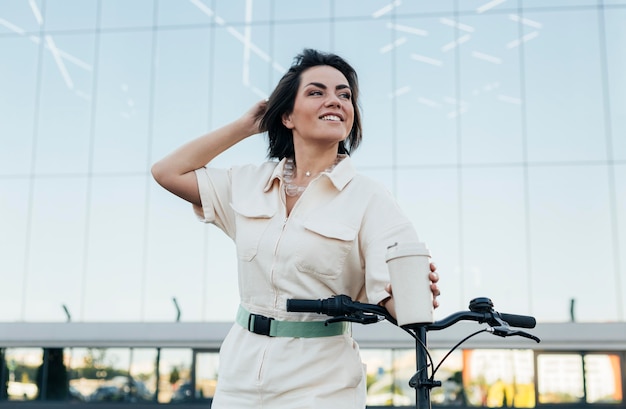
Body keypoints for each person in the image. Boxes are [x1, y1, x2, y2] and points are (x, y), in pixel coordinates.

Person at [152, 48, 441, 408]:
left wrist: (413, 293)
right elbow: (167, 172)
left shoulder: (370, 198)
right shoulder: (247, 183)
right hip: (239, 375)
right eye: (317, 92)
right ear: (287, 115)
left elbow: (399, 300)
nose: (335, 100)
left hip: (321, 382)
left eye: (345, 94)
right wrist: (245, 126)